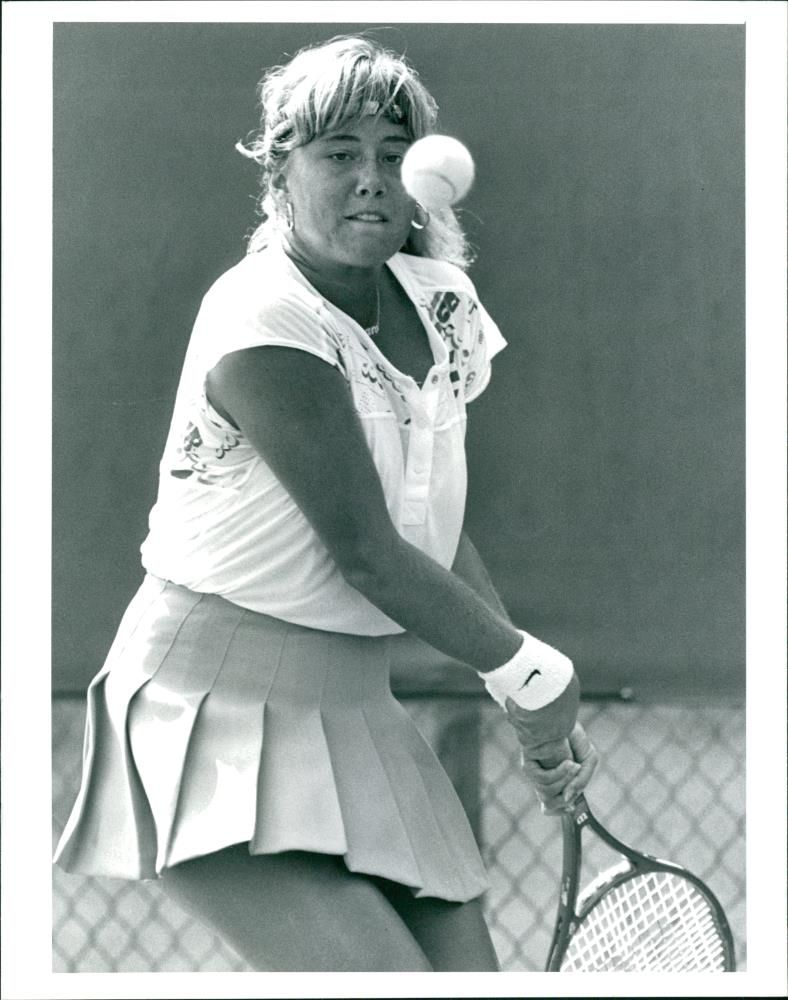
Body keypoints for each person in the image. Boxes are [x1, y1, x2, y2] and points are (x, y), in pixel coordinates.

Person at [54, 34, 597, 972]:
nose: (372, 179)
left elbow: (433, 525)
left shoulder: (443, 305)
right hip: (207, 705)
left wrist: (518, 694)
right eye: (338, 154)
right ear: (280, 171)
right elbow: (368, 553)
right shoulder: (261, 314)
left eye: (392, 155)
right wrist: (532, 672)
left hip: (357, 711)